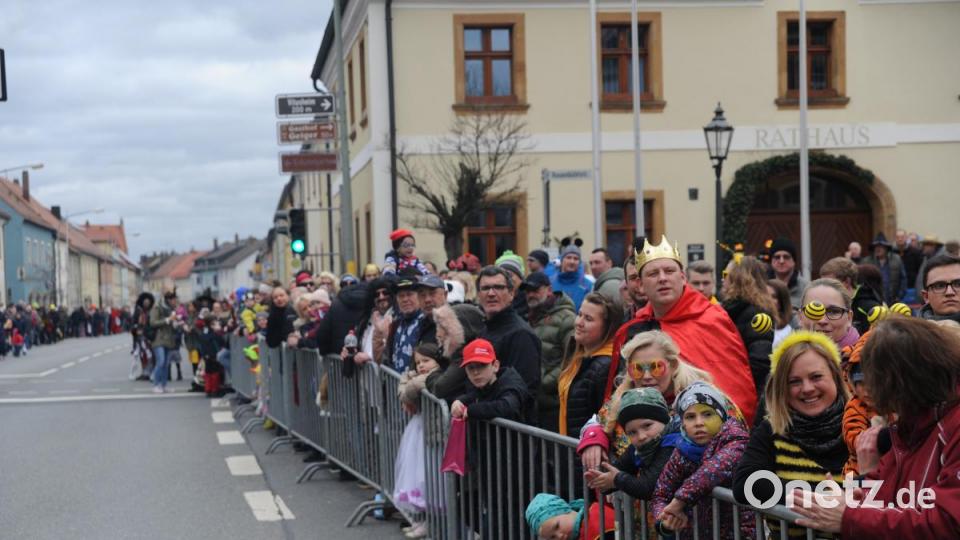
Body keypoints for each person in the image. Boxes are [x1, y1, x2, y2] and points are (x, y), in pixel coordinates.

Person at [790, 317, 960, 538]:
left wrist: (850, 517)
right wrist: (855, 498)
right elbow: (894, 491)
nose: (871, 393)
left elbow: (948, 522)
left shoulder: (949, 424)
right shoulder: (913, 424)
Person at [612, 235, 757, 425]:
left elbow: (736, 390)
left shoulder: (711, 319)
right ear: (640, 284)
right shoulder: (634, 328)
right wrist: (596, 435)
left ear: (683, 277)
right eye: (653, 274)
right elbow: (621, 393)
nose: (662, 278)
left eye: (669, 271)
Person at [732, 331, 849, 538]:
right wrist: (826, 500)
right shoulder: (773, 429)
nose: (807, 388)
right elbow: (745, 483)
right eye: (794, 381)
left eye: (816, 377)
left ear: (836, 377)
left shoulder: (862, 428)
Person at [652, 382, 754, 539]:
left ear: (721, 416)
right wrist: (665, 519)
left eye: (707, 414)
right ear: (683, 424)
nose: (699, 422)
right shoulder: (681, 451)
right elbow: (660, 493)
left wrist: (679, 501)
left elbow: (712, 471)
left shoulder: (736, 438)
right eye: (690, 417)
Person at [395, 343, 446, 539]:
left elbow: (409, 390)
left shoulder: (438, 377)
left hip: (434, 434)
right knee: (420, 476)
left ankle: (434, 523)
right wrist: (408, 384)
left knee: (432, 479)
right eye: (418, 362)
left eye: (426, 360)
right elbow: (404, 389)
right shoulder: (414, 377)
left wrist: (410, 386)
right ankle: (425, 520)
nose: (421, 366)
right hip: (419, 431)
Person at [557, 293, 622, 437]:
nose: (579, 322)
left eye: (588, 319)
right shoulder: (581, 355)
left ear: (607, 328)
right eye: (579, 314)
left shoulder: (605, 367)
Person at [476, 266, 542, 400]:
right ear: (478, 295)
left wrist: (476, 409)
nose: (491, 293)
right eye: (485, 288)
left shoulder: (521, 335)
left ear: (512, 293)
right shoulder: (484, 331)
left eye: (498, 287)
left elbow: (524, 391)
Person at [522, 271, 576, 432]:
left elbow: (573, 359)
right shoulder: (531, 317)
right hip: (535, 402)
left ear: (549, 289)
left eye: (536, 290)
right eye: (528, 291)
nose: (531, 295)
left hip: (555, 403)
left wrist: (544, 381)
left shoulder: (567, 318)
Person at [720, 256, 776, 400]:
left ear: (737, 279)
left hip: (746, 394)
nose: (722, 279)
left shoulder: (757, 313)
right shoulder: (733, 310)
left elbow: (760, 361)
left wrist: (733, 382)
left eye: (725, 275)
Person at [450, 338, 534, 424]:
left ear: (495, 366)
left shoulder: (511, 384)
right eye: (470, 368)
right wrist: (459, 401)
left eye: (482, 365)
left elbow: (507, 407)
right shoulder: (482, 383)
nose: (476, 372)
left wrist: (471, 410)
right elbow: (475, 394)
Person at [424, 303, 487, 402]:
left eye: (445, 329)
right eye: (439, 327)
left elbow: (440, 387)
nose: (439, 334)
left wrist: (431, 376)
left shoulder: (462, 357)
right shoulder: (454, 354)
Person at [820, 256, 882, 335]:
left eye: (829, 283)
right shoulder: (824, 306)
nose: (824, 288)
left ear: (847, 282)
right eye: (822, 283)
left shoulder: (870, 307)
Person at [378, 274, 425, 373]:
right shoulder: (395, 325)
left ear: (420, 296)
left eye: (409, 294)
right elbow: (388, 357)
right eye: (401, 296)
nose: (405, 299)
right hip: (396, 385)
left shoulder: (426, 322)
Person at [798, 278, 860, 348]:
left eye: (833, 311)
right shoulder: (786, 356)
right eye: (813, 311)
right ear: (800, 317)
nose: (822, 321)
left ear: (849, 318)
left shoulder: (867, 357)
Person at [524, 493, 616, 540]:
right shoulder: (580, 530)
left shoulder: (597, 522)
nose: (559, 536)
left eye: (557, 526)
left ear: (564, 509)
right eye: (552, 537)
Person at [148, 291, 181, 393]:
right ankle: (156, 385)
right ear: (169, 300)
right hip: (158, 339)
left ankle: (163, 385)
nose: (176, 302)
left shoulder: (171, 310)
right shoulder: (157, 308)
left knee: (166, 364)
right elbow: (152, 323)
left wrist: (176, 323)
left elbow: (171, 325)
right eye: (174, 300)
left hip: (168, 340)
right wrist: (167, 320)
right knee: (161, 361)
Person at [862, 233, 907, 304]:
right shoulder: (867, 261)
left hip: (893, 300)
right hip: (873, 301)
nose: (878, 249)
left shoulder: (897, 259)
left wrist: (899, 297)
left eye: (880, 246)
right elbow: (862, 282)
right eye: (875, 247)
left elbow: (903, 280)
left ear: (886, 248)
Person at [766, 237, 809, 309]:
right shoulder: (761, 286)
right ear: (771, 261)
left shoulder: (806, 288)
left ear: (794, 261)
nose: (781, 261)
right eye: (777, 257)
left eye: (786, 257)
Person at [551, 240, 593, 311]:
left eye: (576, 259)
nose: (572, 261)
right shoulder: (550, 282)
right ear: (562, 260)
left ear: (579, 262)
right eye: (568, 257)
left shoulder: (587, 285)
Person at [918, 253, 960, 323]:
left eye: (958, 284)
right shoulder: (913, 333)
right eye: (939, 286)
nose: (949, 292)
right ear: (926, 296)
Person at [766, 279, 795, 348]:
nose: (768, 299)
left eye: (774, 297)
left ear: (782, 301)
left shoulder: (790, 328)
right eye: (765, 295)